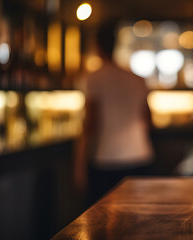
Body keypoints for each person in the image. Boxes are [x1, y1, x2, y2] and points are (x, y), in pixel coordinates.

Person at [74, 20, 154, 204]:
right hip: (141, 157)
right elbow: (148, 120)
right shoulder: (137, 79)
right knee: (138, 220)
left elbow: (91, 125)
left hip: (107, 160)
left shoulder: (94, 79)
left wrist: (79, 166)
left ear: (96, 46)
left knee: (104, 224)